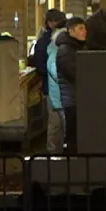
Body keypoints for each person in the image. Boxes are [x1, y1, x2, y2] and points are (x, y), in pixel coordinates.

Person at [32, 9, 67, 154]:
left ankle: (53, 154)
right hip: (56, 90)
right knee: (59, 124)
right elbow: (43, 66)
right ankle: (60, 153)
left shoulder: (43, 42)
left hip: (49, 89)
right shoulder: (49, 43)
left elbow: (39, 65)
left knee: (54, 125)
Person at [55, 17, 88, 154]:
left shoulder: (78, 47)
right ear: (71, 31)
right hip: (72, 99)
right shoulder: (65, 50)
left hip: (78, 98)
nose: (84, 31)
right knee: (72, 134)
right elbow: (73, 73)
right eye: (80, 28)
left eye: (85, 28)